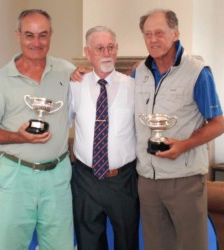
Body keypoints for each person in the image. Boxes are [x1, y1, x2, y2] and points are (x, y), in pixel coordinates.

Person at [0, 9, 75, 250]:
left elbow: (100, 87)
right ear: (18, 35)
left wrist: (133, 71)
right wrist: (17, 137)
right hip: (17, 176)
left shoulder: (67, 71)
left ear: (51, 35)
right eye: (29, 35)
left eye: (43, 35)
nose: (37, 42)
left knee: (61, 246)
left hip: (58, 175)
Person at [133, 9, 224, 250]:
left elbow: (218, 124)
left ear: (175, 33)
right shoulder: (138, 72)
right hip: (147, 180)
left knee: (192, 245)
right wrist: (81, 74)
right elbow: (110, 85)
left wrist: (183, 146)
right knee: (154, 245)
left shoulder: (198, 72)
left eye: (159, 33)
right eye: (147, 34)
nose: (153, 39)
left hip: (184, 180)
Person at [70, 26, 139, 250]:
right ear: (88, 52)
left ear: (117, 50)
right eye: (100, 48)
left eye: (111, 47)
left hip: (123, 180)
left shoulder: (134, 87)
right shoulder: (74, 86)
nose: (106, 53)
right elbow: (61, 124)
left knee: (127, 241)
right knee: (88, 243)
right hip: (85, 179)